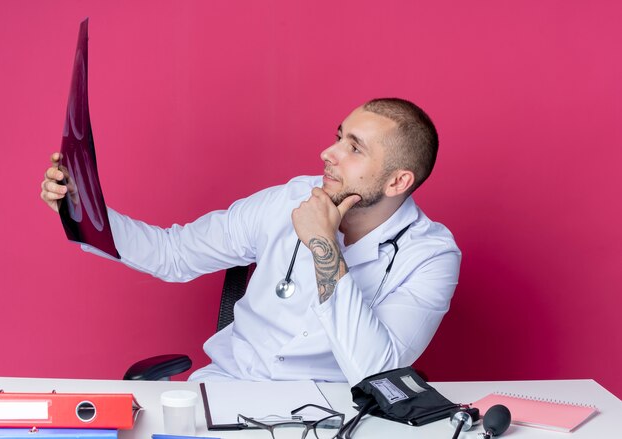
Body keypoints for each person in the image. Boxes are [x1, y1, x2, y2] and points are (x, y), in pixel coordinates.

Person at [40, 98, 461, 385]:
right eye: (338, 136)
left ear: (398, 180)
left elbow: (375, 371)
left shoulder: (431, 256)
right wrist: (84, 208)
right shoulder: (287, 200)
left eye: (353, 148)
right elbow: (175, 254)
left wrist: (322, 243)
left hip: (330, 415)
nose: (327, 153)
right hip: (226, 390)